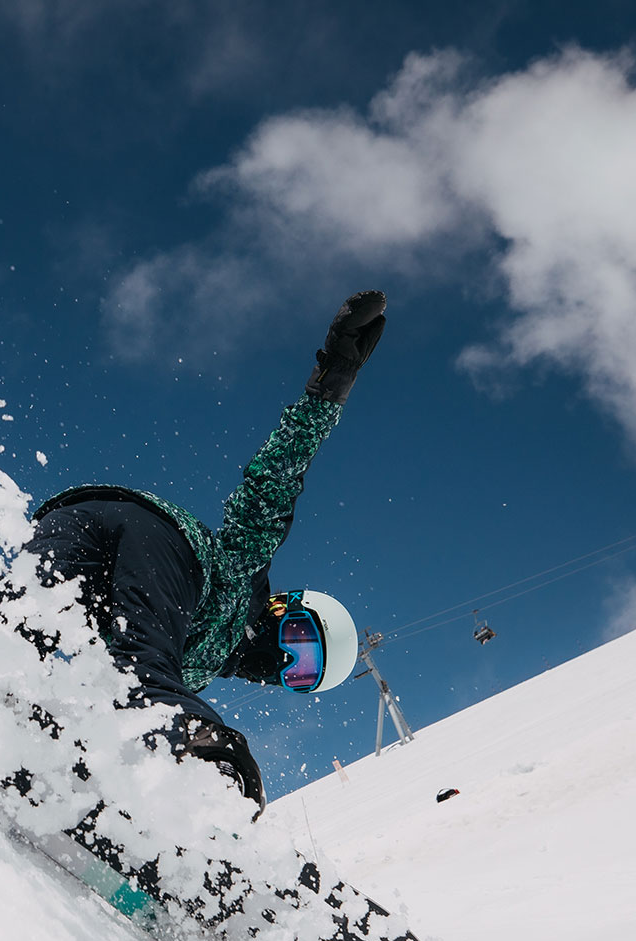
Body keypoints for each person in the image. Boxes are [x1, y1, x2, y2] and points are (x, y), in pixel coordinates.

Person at [20, 290, 389, 813]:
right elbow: (275, 482)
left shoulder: (201, 664)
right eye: (300, 641)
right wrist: (330, 385)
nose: (283, 660)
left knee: (22, 618)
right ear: (287, 606)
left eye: (300, 672)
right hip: (161, 543)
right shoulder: (244, 578)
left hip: (75, 522)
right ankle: (213, 783)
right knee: (145, 672)